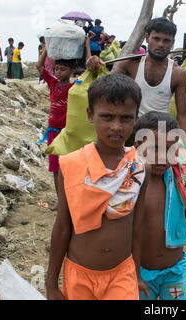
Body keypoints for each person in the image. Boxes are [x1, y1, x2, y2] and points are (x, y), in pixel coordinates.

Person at [46, 73, 150, 300]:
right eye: (107, 116)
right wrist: (51, 284)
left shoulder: (139, 167)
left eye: (125, 118)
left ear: (136, 118)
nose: (116, 126)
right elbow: (63, 226)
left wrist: (137, 274)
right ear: (90, 115)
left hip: (122, 273)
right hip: (79, 274)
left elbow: (137, 227)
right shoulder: (72, 164)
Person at [86, 17, 186, 164]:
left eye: (166, 40)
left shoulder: (178, 73)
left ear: (172, 43)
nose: (161, 44)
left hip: (160, 133)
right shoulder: (131, 62)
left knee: (155, 178)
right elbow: (105, 86)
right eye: (156, 39)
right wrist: (95, 64)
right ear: (147, 38)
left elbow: (183, 115)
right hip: (131, 130)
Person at [133, 111, 186, 300]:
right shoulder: (131, 186)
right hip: (138, 274)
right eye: (155, 148)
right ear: (137, 147)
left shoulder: (180, 183)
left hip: (174, 272)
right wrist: (134, 274)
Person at [37, 47, 76, 211]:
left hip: (68, 133)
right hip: (53, 132)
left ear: (71, 71)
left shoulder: (75, 87)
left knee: (69, 169)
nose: (58, 72)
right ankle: (60, 201)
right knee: (55, 169)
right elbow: (39, 66)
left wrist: (88, 47)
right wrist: (47, 49)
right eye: (57, 69)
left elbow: (91, 74)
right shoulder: (52, 83)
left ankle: (71, 201)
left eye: (63, 69)